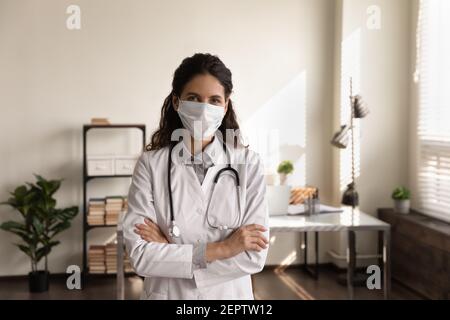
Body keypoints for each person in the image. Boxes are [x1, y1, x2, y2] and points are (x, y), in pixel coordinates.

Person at [123, 53, 269, 300]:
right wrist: (223, 248)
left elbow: (253, 256)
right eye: (194, 98)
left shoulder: (249, 165)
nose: (204, 108)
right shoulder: (151, 165)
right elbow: (140, 256)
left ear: (226, 105)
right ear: (176, 102)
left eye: (214, 100)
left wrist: (171, 252)